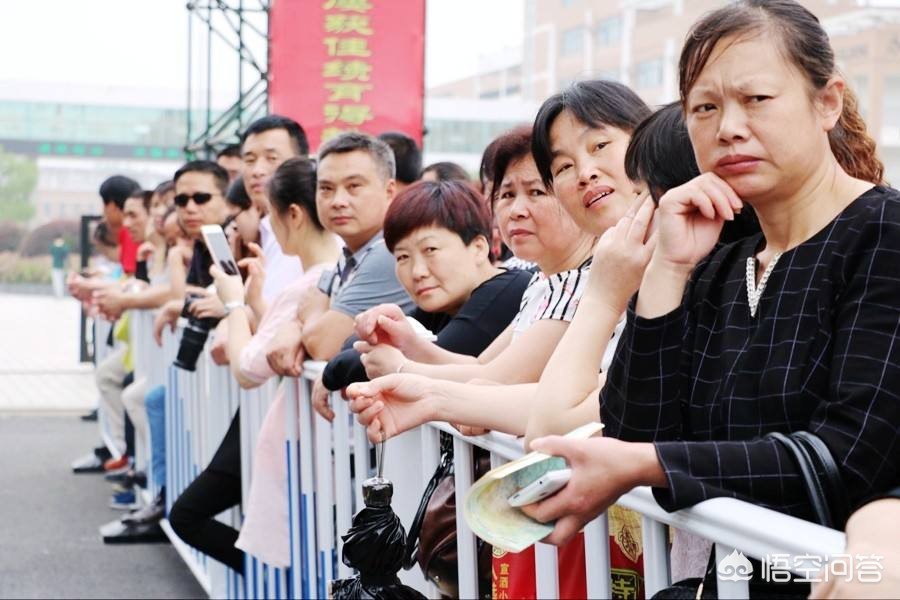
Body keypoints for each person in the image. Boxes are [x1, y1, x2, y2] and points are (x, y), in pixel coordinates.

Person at [517, 3, 898, 598]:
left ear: (827, 102)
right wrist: (667, 270)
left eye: (757, 100)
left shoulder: (884, 234)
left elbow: (850, 456)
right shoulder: (719, 266)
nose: (728, 128)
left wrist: (651, 465)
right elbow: (635, 429)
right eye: (706, 108)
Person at [202, 157, 341, 567]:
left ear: (292, 214)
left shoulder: (309, 281)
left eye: (268, 214)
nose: (266, 225)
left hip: (304, 453)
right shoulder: (333, 273)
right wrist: (258, 301)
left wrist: (233, 300)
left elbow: (247, 366)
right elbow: (274, 347)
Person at [316, 179, 532, 415]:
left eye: (430, 250)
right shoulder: (442, 304)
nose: (418, 272)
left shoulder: (507, 291)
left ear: (479, 248)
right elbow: (358, 346)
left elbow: (414, 360)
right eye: (402, 257)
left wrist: (332, 372)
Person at [265, 132, 415, 374]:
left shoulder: (390, 252)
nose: (338, 201)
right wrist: (293, 328)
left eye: (353, 186)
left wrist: (311, 316)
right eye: (326, 188)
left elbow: (323, 343)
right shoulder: (349, 255)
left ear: (389, 191)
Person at [240, 115, 308, 303]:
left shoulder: (305, 230)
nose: (257, 171)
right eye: (249, 160)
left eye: (271, 158)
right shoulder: (266, 228)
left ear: (300, 162)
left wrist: (233, 306)